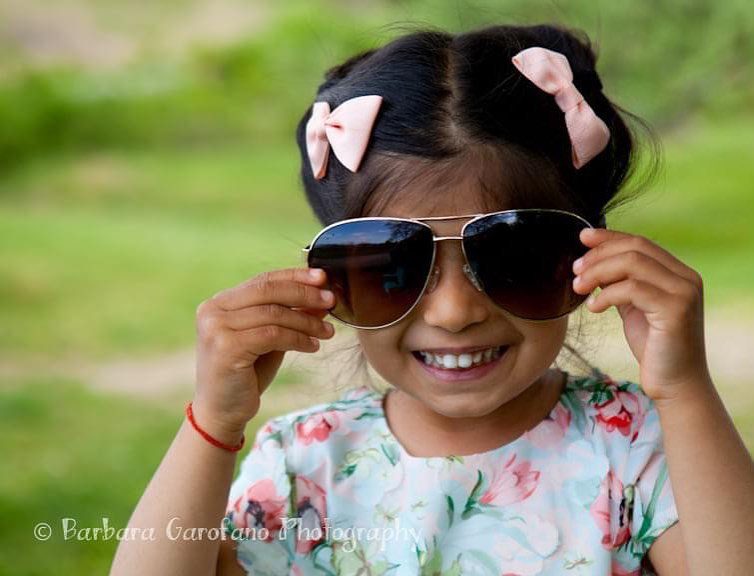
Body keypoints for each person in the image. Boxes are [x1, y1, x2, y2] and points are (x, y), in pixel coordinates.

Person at [110, 23, 754, 576]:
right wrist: (212, 428)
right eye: (393, 265)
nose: (453, 311)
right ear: (329, 279)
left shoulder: (637, 446)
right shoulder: (305, 461)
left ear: (586, 259)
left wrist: (685, 391)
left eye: (514, 256)